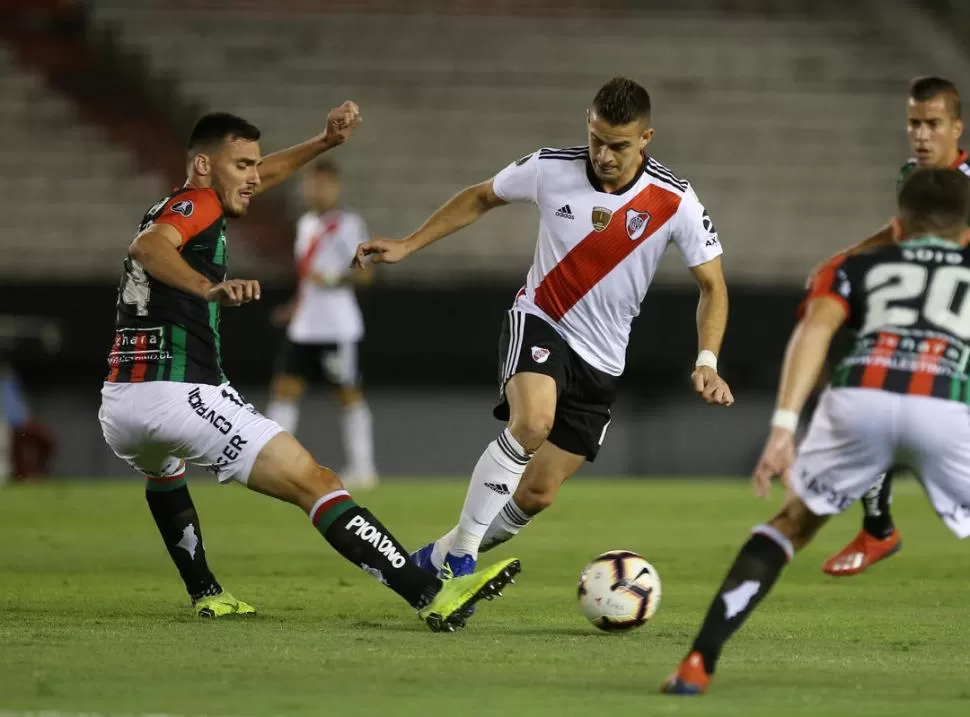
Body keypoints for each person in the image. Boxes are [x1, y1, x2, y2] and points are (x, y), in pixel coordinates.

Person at [97, 104, 519, 629]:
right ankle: (430, 593)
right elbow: (149, 247)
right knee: (315, 481)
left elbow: (238, 189)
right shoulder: (195, 206)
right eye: (243, 165)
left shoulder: (184, 200)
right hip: (177, 394)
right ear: (204, 166)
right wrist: (208, 287)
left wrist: (323, 142)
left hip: (120, 404)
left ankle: (206, 591)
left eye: (256, 165)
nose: (255, 177)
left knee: (165, 473)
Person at [355, 77, 733, 579]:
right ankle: (464, 559)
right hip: (541, 320)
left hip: (603, 357)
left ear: (646, 138)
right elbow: (481, 197)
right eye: (597, 139)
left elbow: (714, 286)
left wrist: (707, 360)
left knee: (537, 493)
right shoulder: (550, 166)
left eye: (618, 145)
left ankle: (432, 559)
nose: (603, 154)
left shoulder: (674, 200)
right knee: (532, 422)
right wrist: (409, 243)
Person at [663, 168, 970, 695]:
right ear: (966, 232)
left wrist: (784, 427)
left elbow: (815, 331)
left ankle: (697, 662)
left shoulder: (856, 266)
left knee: (792, 524)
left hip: (859, 399)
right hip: (943, 402)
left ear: (898, 226)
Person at [816, 76, 970, 576]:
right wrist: (847, 257)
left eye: (933, 124)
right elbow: (898, 231)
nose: (921, 135)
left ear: (956, 127)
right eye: (914, 123)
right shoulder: (911, 176)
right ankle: (878, 528)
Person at [266, 160, 377, 488]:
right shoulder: (305, 225)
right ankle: (274, 464)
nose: (317, 190)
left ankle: (363, 468)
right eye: (313, 184)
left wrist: (332, 278)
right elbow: (306, 280)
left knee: (348, 395)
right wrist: (294, 306)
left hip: (337, 327)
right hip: (304, 325)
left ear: (337, 187)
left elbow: (366, 274)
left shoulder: (348, 225)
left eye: (325, 184)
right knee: (284, 390)